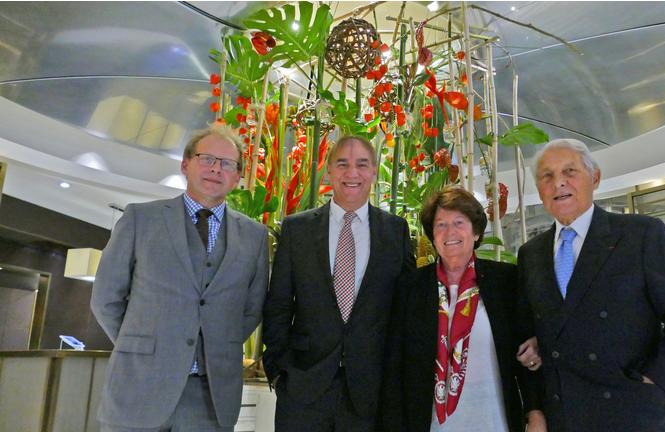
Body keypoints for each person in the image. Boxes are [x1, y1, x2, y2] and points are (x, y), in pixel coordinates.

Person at [517, 138, 665, 431]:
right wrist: (535, 408)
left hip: (635, 414)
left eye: (570, 171)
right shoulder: (531, 253)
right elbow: (539, 330)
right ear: (539, 189)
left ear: (595, 178)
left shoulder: (640, 235)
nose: (558, 183)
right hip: (564, 417)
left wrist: (659, 382)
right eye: (546, 176)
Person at [91, 125, 269, 431]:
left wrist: (217, 344)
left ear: (238, 176)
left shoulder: (255, 236)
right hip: (139, 388)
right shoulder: (140, 219)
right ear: (185, 164)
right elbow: (106, 298)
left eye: (227, 163)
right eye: (207, 158)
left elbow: (252, 309)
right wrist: (142, 344)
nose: (216, 169)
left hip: (210, 399)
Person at [262, 135, 415, 431]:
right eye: (342, 164)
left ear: (374, 171)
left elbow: (404, 309)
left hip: (370, 393)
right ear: (329, 170)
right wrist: (278, 370)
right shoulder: (297, 229)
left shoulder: (395, 231)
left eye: (362, 164)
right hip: (303, 389)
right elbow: (278, 304)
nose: (352, 173)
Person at [380, 186, 547, 432]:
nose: (450, 232)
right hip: (431, 425)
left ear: (476, 232)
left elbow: (528, 354)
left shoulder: (505, 281)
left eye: (459, 222)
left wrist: (535, 413)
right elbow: (395, 367)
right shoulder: (410, 287)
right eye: (441, 225)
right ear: (432, 235)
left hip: (494, 421)